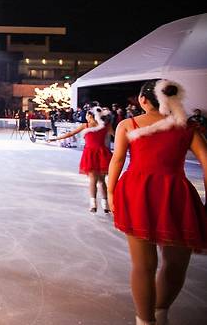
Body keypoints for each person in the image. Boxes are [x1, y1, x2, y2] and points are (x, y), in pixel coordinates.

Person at [107, 80, 207, 325]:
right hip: (176, 194)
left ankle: (146, 320)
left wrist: (110, 192)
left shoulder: (128, 124)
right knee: (175, 263)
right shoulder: (187, 126)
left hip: (137, 193)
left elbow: (117, 160)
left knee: (144, 266)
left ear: (143, 100)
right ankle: (161, 311)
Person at [49, 106, 114, 213]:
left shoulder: (89, 126)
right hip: (100, 154)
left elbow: (70, 134)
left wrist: (55, 138)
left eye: (88, 115)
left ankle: (96, 205)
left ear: (92, 116)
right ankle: (103, 204)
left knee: (96, 180)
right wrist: (56, 138)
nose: (86, 117)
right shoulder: (103, 126)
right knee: (101, 181)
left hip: (97, 154)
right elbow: (117, 135)